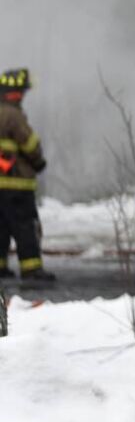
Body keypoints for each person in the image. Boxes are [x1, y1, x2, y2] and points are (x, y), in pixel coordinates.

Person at [0, 68, 52, 281]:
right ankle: (31, 269)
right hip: (16, 185)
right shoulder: (13, 115)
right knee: (25, 227)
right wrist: (39, 162)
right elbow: (29, 144)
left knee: (0, 227)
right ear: (16, 92)